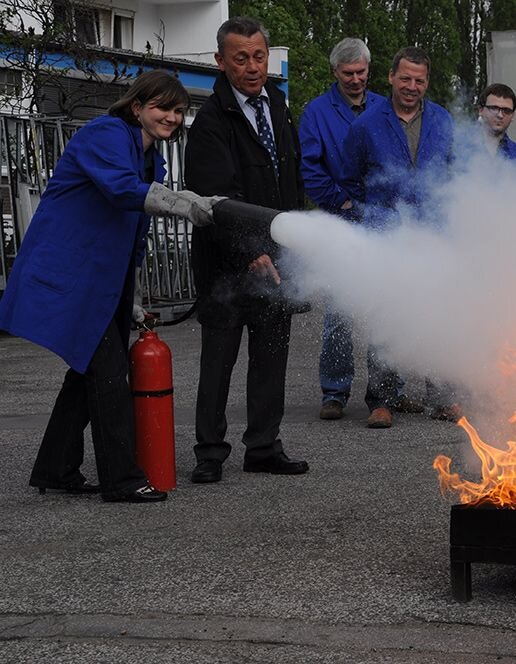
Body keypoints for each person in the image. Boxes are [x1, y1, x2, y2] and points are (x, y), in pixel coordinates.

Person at [0, 70, 219, 503]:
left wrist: (133, 294)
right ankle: (121, 480)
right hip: (73, 273)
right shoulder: (105, 133)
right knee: (107, 373)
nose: (171, 117)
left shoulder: (148, 154)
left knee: (86, 370)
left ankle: (56, 467)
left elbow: (134, 230)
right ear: (137, 106)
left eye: (177, 110)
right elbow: (122, 191)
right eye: (161, 107)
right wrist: (185, 204)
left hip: (104, 278)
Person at [184, 16, 309, 483]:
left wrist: (291, 241)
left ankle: (263, 446)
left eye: (259, 56)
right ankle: (210, 453)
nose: (252, 67)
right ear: (221, 61)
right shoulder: (211, 121)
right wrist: (250, 250)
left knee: (271, 355)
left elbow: (288, 178)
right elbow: (216, 196)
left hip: (276, 260)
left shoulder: (276, 104)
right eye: (241, 59)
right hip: (228, 266)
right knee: (219, 360)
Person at [299, 38, 419, 423]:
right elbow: (311, 169)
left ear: (370, 70)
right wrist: (343, 201)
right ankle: (334, 391)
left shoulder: (388, 108)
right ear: (334, 72)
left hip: (385, 223)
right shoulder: (317, 113)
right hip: (341, 220)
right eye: (348, 74)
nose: (355, 80)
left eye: (361, 73)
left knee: (388, 309)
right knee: (339, 310)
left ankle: (389, 392)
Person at [341, 46, 458, 427]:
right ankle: (383, 399)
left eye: (419, 80)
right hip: (385, 236)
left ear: (427, 82)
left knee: (438, 315)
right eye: (405, 78)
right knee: (385, 318)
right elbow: (350, 181)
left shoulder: (442, 121)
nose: (411, 86)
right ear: (390, 77)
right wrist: (371, 217)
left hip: (433, 235)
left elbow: (456, 174)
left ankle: (441, 396)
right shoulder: (365, 126)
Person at [478, 83, 516, 162]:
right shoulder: (460, 145)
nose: (500, 115)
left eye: (507, 111)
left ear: (512, 116)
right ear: (481, 110)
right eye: (494, 108)